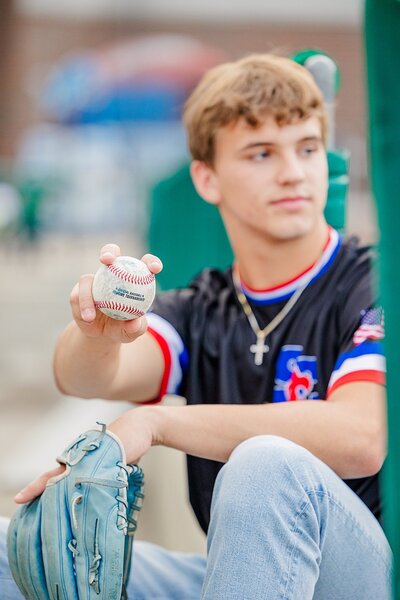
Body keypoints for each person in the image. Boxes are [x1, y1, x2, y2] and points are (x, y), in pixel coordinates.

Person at [0, 53, 392, 599]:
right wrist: (97, 334)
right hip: (242, 577)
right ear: (207, 178)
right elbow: (85, 379)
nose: (292, 172)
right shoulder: (203, 305)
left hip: (362, 577)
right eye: (261, 153)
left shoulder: (374, 282)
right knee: (7, 550)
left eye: (307, 148)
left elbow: (361, 437)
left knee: (266, 462)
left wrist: (155, 424)